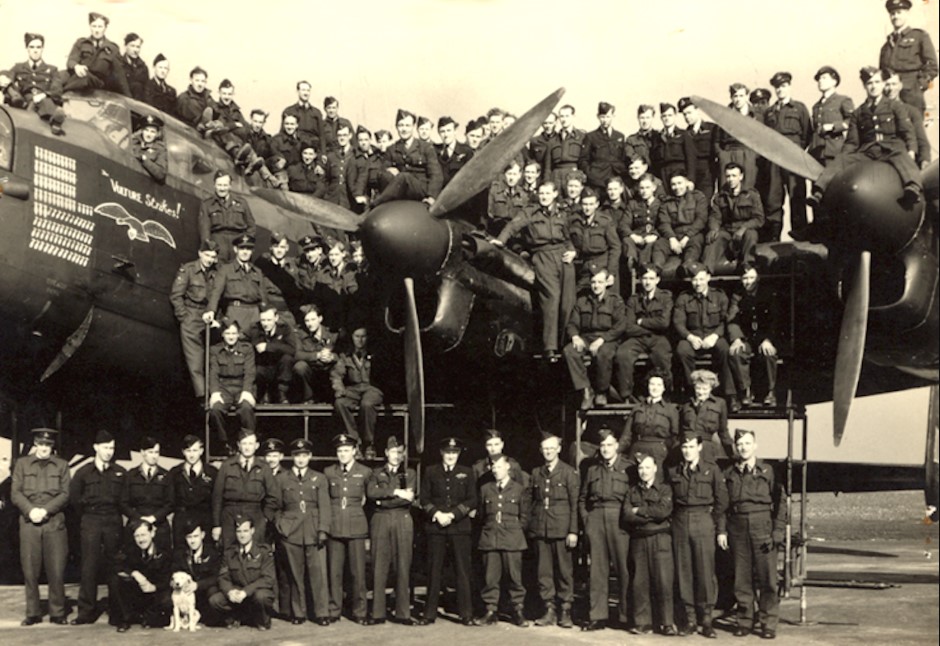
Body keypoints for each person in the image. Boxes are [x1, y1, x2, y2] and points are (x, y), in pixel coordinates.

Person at [809, 66, 921, 209]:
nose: (873, 86)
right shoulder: (858, 112)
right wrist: (844, 156)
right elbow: (852, 142)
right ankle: (819, 191)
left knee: (902, 156)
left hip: (891, 148)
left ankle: (912, 187)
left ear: (882, 84)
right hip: (868, 151)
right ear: (864, 86)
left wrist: (911, 150)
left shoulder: (894, 106)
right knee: (841, 159)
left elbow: (907, 131)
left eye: (877, 82)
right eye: (869, 83)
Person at [495, 181, 576, 359]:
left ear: (555, 194)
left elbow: (569, 236)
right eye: (541, 193)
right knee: (551, 298)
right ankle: (550, 347)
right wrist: (501, 241)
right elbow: (512, 226)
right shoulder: (530, 212)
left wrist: (573, 252)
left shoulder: (563, 212)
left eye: (547, 193)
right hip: (542, 256)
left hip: (564, 257)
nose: (544, 197)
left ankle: (565, 344)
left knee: (567, 301)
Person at [722, 429, 788, 639]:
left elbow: (781, 503)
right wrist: (722, 530)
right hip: (737, 526)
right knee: (742, 578)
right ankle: (745, 621)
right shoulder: (728, 474)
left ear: (755, 446)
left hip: (762, 526)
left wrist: (778, 531)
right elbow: (722, 506)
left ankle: (768, 623)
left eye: (747, 443)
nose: (743, 448)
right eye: (740, 444)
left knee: (767, 579)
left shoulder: (768, 471)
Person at [667, 431, 729, 638]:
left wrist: (716, 525)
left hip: (703, 520)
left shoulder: (711, 470)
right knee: (684, 572)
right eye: (684, 447)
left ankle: (707, 620)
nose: (687, 451)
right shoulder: (673, 471)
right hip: (680, 521)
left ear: (700, 447)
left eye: (691, 446)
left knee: (704, 571)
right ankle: (690, 620)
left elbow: (722, 501)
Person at [11, 428, 70, 626]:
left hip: (54, 522)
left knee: (56, 569)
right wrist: (30, 511)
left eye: (48, 444)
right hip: (29, 523)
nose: (44, 448)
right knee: (30, 569)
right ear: (35, 444)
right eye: (41, 444)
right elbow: (15, 493)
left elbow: (65, 494)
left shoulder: (61, 465)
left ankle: (57, 612)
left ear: (52, 446)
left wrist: (45, 511)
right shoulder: (22, 464)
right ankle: (33, 613)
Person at [417, 437, 477, 626]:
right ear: (442, 453)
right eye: (448, 452)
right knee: (434, 571)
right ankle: (429, 613)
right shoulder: (431, 471)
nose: (451, 456)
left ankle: (466, 613)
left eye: (455, 453)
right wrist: (436, 514)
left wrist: (452, 515)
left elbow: (472, 500)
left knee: (462, 571)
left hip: (459, 527)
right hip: (436, 528)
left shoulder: (467, 472)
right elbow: (424, 499)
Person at [69, 430, 126, 625]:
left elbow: (125, 500)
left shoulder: (120, 471)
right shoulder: (83, 472)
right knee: (89, 566)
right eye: (105, 447)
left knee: (114, 565)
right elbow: (75, 500)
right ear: (95, 447)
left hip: (113, 520)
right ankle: (86, 612)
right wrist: (88, 516)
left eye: (112, 448)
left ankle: (116, 612)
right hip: (91, 519)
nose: (109, 452)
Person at [272, 438, 331, 626]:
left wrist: (323, 530)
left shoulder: (319, 478)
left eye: (304, 455)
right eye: (297, 455)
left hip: (313, 531)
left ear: (310, 456)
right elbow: (276, 506)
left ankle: (321, 612)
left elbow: (325, 506)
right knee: (295, 575)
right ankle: (299, 612)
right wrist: (281, 525)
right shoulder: (282, 479)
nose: (301, 459)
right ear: (292, 457)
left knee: (318, 574)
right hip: (291, 532)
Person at [578, 427, 631, 631]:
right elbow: (582, 499)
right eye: (602, 445)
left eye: (610, 445)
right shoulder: (592, 470)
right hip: (597, 519)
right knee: (597, 570)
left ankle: (626, 616)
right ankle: (597, 615)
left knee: (623, 570)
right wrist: (587, 521)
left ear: (617, 445)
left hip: (619, 520)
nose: (606, 449)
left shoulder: (628, 468)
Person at [528, 431, 579, 629]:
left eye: (552, 448)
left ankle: (565, 610)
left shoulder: (568, 472)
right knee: (544, 572)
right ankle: (548, 608)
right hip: (541, 529)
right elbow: (532, 502)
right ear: (541, 450)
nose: (548, 451)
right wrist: (532, 527)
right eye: (545, 448)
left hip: (562, 530)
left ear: (558, 449)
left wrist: (573, 531)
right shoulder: (536, 473)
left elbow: (574, 504)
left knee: (565, 571)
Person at [621, 453, 676, 636]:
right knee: (640, 582)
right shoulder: (632, 491)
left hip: (660, 539)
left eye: (647, 467)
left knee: (664, 581)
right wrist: (648, 514)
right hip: (639, 540)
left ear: (655, 468)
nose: (644, 471)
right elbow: (627, 514)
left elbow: (663, 511)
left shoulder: (665, 489)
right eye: (641, 468)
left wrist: (640, 511)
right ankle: (643, 622)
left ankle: (667, 622)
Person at [474, 455, 530, 628]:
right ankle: (491, 611)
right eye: (493, 467)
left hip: (513, 540)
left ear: (508, 467)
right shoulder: (485, 489)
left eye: (499, 466)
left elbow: (525, 517)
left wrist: (513, 531)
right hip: (490, 538)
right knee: (490, 578)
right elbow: (482, 515)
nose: (495, 470)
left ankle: (517, 610)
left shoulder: (519, 489)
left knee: (515, 578)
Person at [367, 436, 417, 625]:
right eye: (394, 452)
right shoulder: (376, 472)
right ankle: (377, 613)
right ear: (386, 452)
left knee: (403, 564)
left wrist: (384, 498)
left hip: (402, 518)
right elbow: (371, 494)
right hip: (380, 519)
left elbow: (408, 498)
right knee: (379, 564)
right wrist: (395, 492)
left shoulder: (408, 474)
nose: (397, 456)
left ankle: (403, 613)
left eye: (400, 453)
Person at [323, 433, 372, 625]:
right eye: (339, 451)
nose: (343, 454)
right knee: (334, 572)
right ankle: (333, 610)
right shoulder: (329, 472)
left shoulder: (365, 472)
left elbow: (370, 501)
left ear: (354, 451)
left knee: (358, 572)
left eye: (346, 450)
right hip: (335, 527)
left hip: (356, 526)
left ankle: (359, 611)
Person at [674, 263, 737, 407]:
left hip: (713, 336)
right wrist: (689, 337)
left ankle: (730, 394)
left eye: (701, 279)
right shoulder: (683, 298)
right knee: (682, 351)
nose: (698, 283)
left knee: (725, 350)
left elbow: (725, 321)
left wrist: (715, 336)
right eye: (695, 280)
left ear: (708, 278)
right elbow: (678, 323)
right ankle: (692, 392)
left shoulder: (719, 296)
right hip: (692, 336)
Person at [563, 269, 626, 409]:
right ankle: (586, 390)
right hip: (586, 337)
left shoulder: (615, 301)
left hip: (608, 338)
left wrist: (602, 340)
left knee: (604, 353)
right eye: (593, 282)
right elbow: (572, 324)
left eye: (600, 282)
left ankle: (601, 392)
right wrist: (575, 336)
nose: (596, 285)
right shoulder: (582, 301)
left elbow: (620, 326)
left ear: (606, 283)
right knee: (569, 351)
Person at [763, 72, 812, 241]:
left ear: (789, 87)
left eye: (783, 86)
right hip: (774, 159)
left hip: (793, 158)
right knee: (773, 197)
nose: (780, 90)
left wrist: (796, 152)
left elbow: (807, 134)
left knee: (796, 195)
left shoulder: (799, 108)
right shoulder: (769, 111)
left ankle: (800, 234)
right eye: (777, 87)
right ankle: (773, 235)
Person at [211, 428, 278, 550]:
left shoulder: (264, 468)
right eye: (244, 443)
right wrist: (216, 524)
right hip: (230, 515)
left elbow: (273, 497)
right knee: (230, 552)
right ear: (238, 445)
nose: (247, 447)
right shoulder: (227, 465)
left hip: (255, 515)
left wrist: (265, 519)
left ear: (256, 446)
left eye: (251, 443)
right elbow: (217, 496)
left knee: (255, 553)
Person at [616, 263, 673, 402]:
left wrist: (641, 322)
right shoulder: (634, 300)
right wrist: (653, 325)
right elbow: (628, 327)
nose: (648, 282)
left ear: (657, 280)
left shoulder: (665, 297)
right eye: (645, 278)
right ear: (640, 280)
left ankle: (665, 396)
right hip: (637, 338)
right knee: (622, 355)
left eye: (651, 278)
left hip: (658, 338)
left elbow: (664, 323)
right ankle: (626, 395)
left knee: (662, 357)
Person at [170, 239, 219, 400]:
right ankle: (203, 397)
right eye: (207, 255)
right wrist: (184, 317)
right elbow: (176, 295)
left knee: (213, 358)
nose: (209, 259)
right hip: (191, 316)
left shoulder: (215, 273)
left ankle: (216, 394)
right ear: (200, 254)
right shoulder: (189, 270)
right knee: (195, 361)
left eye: (212, 256)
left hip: (208, 317)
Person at [209, 515, 276, 630]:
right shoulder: (229, 552)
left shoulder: (264, 551)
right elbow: (223, 577)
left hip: (255, 592)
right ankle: (236, 616)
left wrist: (246, 591)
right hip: (237, 594)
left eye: (245, 531)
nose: (242, 535)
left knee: (262, 597)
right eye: (239, 531)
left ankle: (261, 621)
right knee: (215, 600)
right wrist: (230, 591)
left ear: (252, 531)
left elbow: (268, 579)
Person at [728, 263, 780, 408]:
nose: (748, 281)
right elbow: (732, 319)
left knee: (768, 354)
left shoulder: (768, 293)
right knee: (736, 354)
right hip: (748, 337)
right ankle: (746, 391)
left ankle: (771, 391)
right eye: (745, 278)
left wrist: (768, 339)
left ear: (758, 278)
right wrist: (737, 339)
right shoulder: (737, 296)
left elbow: (775, 319)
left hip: (765, 336)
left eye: (751, 277)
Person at [110, 520, 172, 633]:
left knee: (165, 605)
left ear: (152, 534)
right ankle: (126, 618)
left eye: (143, 535)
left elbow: (168, 578)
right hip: (138, 590)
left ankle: (146, 617)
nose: (141, 539)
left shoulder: (164, 551)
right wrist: (134, 573)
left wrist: (154, 587)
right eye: (137, 536)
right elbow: (116, 565)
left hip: (155, 591)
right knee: (116, 580)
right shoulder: (130, 549)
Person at [373, 109, 443, 207]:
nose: (404, 129)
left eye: (407, 125)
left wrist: (431, 197)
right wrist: (388, 171)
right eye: (401, 125)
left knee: (404, 177)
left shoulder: (426, 147)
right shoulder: (392, 149)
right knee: (386, 175)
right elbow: (381, 172)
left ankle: (375, 204)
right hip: (400, 190)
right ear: (396, 127)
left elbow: (436, 175)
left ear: (413, 127)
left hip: (419, 189)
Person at [331, 326, 383, 457]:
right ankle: (354, 441)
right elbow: (337, 374)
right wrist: (339, 389)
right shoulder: (345, 355)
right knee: (340, 403)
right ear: (352, 338)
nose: (360, 340)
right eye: (357, 336)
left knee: (367, 404)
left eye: (363, 336)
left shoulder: (376, 354)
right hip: (353, 389)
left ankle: (368, 443)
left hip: (372, 388)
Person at [879, 0, 938, 114]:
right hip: (890, 97)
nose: (895, 16)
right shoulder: (886, 46)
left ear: (907, 13)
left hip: (911, 97)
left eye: (899, 12)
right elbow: (882, 73)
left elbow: (932, 66)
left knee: (912, 130)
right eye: (892, 14)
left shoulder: (919, 37)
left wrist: (918, 86)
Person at [1, 33, 66, 135]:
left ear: (42, 49)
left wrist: (44, 94)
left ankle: (55, 122)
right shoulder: (19, 67)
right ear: (27, 48)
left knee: (46, 102)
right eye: (32, 47)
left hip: (43, 101)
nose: (35, 50)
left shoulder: (52, 70)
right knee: (8, 86)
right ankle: (18, 102)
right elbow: (8, 75)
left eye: (38, 47)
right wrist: (2, 77)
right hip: (24, 101)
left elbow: (57, 89)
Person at [703, 163, 763, 272]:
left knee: (751, 235)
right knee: (712, 239)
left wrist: (743, 228)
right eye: (728, 176)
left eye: (734, 176)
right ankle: (705, 273)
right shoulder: (720, 197)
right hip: (727, 231)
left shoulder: (751, 195)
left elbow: (759, 218)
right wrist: (714, 228)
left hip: (744, 232)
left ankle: (748, 267)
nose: (730, 179)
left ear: (741, 176)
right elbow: (715, 216)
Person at [206, 320, 257, 447]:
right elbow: (213, 373)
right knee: (215, 410)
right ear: (222, 334)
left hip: (242, 386)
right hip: (224, 388)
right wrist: (215, 393)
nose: (231, 336)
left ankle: (249, 443)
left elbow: (250, 372)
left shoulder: (247, 349)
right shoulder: (215, 350)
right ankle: (224, 444)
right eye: (228, 333)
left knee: (246, 409)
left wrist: (246, 391)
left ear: (238, 334)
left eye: (234, 333)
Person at [206, 234, 268, 333]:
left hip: (255, 314)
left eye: (248, 249)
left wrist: (266, 314)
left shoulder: (257, 272)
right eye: (242, 248)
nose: (245, 252)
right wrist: (211, 311)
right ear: (235, 249)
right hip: (235, 312)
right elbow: (216, 293)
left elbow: (263, 297)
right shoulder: (226, 269)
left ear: (252, 251)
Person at [120, 435, 172, 551]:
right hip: (136, 524)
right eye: (151, 452)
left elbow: (170, 503)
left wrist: (154, 518)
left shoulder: (166, 475)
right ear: (143, 453)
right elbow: (123, 503)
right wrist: (139, 519)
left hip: (159, 525)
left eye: (156, 452)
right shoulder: (131, 475)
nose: (154, 456)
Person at [621, 370, 680, 467]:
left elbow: (675, 437)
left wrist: (670, 455)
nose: (655, 388)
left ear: (664, 388)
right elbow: (626, 435)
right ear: (647, 386)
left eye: (659, 385)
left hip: (659, 452)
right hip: (637, 450)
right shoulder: (637, 408)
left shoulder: (671, 410)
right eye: (652, 384)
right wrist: (615, 451)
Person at [168, 434, 218, 549]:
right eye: (188, 450)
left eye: (195, 450)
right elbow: (170, 499)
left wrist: (216, 524)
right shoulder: (175, 473)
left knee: (206, 552)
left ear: (201, 451)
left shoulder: (212, 472)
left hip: (204, 519)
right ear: (183, 452)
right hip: (182, 519)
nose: (191, 454)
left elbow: (216, 500)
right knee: (181, 552)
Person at [63, 12, 130, 95]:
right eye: (94, 26)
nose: (97, 30)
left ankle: (64, 93)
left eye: (100, 27)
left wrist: (128, 97)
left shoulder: (112, 48)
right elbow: (71, 60)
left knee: (85, 78)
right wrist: (76, 66)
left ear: (105, 28)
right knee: (61, 74)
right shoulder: (81, 43)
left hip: (99, 84)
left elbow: (120, 75)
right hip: (80, 78)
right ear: (90, 27)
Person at [171, 519, 222, 627]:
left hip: (203, 592)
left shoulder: (211, 553)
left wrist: (198, 585)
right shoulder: (180, 554)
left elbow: (216, 576)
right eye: (189, 537)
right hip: (185, 593)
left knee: (213, 592)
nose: (192, 541)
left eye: (195, 536)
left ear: (202, 535)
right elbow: (173, 573)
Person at [569, 188, 621, 292]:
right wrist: (573, 251)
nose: (587, 208)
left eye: (591, 204)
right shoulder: (574, 221)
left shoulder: (605, 221)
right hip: (584, 269)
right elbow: (568, 239)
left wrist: (611, 272)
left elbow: (615, 247)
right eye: (585, 204)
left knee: (609, 302)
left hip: (603, 267)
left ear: (596, 204)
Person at [198, 172, 257, 263]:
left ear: (230, 186)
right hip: (218, 243)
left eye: (225, 185)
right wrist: (209, 249)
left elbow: (251, 225)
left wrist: (245, 244)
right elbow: (204, 230)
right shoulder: (207, 204)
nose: (222, 188)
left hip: (238, 242)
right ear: (214, 185)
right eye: (219, 185)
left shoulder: (241, 203)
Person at [657, 171, 708, 276]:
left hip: (693, 234)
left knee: (695, 243)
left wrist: (687, 237)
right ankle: (656, 270)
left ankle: (686, 267)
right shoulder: (666, 202)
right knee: (660, 244)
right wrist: (672, 238)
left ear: (687, 183)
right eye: (673, 184)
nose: (677, 187)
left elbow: (701, 219)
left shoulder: (698, 197)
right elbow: (664, 223)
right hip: (674, 234)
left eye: (680, 183)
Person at [712, 83, 761, 190]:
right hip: (728, 154)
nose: (738, 99)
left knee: (748, 188)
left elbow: (763, 140)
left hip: (748, 154)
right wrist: (721, 155)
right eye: (735, 96)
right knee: (727, 188)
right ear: (731, 97)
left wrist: (754, 156)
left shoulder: (756, 116)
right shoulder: (723, 116)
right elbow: (716, 140)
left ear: (747, 96)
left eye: (741, 96)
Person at [681, 370, 734, 462]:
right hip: (687, 447)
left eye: (705, 389)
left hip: (707, 448)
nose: (701, 392)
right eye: (698, 388)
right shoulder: (686, 404)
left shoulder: (719, 403)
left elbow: (723, 431)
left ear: (711, 388)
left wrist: (732, 453)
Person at [247, 307, 296, 405]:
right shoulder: (254, 329)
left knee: (287, 359)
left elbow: (292, 349)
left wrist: (269, 346)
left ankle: (282, 393)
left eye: (269, 320)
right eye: (263, 320)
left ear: (276, 318)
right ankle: (262, 393)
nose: (265, 323)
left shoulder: (284, 328)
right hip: (262, 366)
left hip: (279, 368)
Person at [885, 69, 932, 168]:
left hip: (905, 163)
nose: (890, 88)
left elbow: (922, 142)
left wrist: (924, 161)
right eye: (887, 84)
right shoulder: (872, 112)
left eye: (894, 84)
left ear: (900, 86)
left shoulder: (911, 112)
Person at [809, 66, 855, 167]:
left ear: (834, 81)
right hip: (816, 152)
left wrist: (833, 126)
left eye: (824, 78)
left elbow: (852, 120)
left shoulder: (843, 100)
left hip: (833, 151)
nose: (820, 81)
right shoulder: (816, 106)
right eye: (819, 79)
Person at [619, 173, 666, 272]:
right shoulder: (633, 204)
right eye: (642, 188)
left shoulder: (661, 204)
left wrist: (655, 235)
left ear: (653, 188)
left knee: (651, 245)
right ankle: (631, 263)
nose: (644, 191)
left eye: (647, 187)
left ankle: (643, 268)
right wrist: (633, 236)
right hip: (638, 237)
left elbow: (665, 224)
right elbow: (623, 224)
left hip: (654, 237)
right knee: (627, 240)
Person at [578, 101, 627, 191]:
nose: (605, 120)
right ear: (598, 117)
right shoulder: (591, 136)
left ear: (613, 116)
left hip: (616, 180)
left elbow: (623, 158)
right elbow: (583, 160)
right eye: (602, 117)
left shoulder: (619, 136)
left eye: (608, 117)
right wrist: (591, 174)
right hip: (598, 182)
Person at [678, 97, 716, 200]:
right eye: (684, 114)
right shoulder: (684, 134)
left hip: (708, 173)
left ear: (697, 110)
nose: (687, 117)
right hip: (691, 174)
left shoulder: (711, 128)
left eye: (689, 113)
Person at [651, 102, 695, 185]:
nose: (667, 118)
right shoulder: (657, 137)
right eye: (664, 116)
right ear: (661, 118)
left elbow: (691, 158)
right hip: (663, 174)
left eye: (670, 115)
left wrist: (690, 179)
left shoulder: (684, 135)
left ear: (675, 116)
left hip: (680, 173)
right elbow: (654, 161)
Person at [544, 104, 585, 187]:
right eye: (562, 116)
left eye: (567, 116)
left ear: (573, 117)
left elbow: (585, 161)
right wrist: (546, 182)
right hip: (556, 176)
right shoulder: (553, 140)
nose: (564, 119)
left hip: (574, 175)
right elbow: (548, 166)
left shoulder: (581, 137)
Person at [485, 160, 529, 236]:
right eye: (509, 174)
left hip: (514, 234)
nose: (511, 178)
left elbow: (523, 219)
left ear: (519, 175)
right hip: (495, 231)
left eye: (514, 174)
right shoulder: (494, 190)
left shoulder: (523, 195)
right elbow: (489, 214)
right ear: (504, 174)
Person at [282, 81, 324, 152]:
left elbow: (322, 135)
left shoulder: (316, 112)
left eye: (308, 90)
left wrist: (323, 153)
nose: (306, 93)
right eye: (303, 90)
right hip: (295, 148)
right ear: (298, 91)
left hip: (313, 149)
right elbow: (283, 133)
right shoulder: (289, 111)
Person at [323, 123, 355, 207]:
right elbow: (326, 179)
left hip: (349, 200)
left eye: (345, 135)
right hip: (332, 199)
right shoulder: (331, 156)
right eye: (339, 135)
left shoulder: (355, 155)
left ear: (350, 136)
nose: (342, 138)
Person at [129, 114, 167, 183]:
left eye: (152, 132)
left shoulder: (160, 149)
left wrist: (145, 159)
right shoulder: (132, 141)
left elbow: (161, 174)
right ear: (142, 131)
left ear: (157, 134)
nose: (148, 134)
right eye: (146, 130)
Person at [437, 116, 473, 186]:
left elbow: (470, 177)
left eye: (449, 130)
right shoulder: (434, 151)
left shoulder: (466, 151)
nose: (446, 135)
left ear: (455, 131)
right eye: (442, 131)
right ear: (439, 133)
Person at [175, 67, 213, 134]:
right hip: (188, 133)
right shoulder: (184, 98)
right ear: (191, 80)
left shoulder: (208, 98)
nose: (200, 84)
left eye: (203, 81)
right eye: (197, 80)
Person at [144, 52, 176, 118]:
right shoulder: (146, 87)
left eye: (165, 68)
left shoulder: (171, 91)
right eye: (160, 67)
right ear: (154, 67)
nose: (163, 71)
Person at [121, 33, 148, 101]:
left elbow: (146, 91)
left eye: (138, 47)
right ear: (125, 46)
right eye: (132, 46)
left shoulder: (143, 68)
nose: (135, 50)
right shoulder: (118, 64)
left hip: (137, 105)